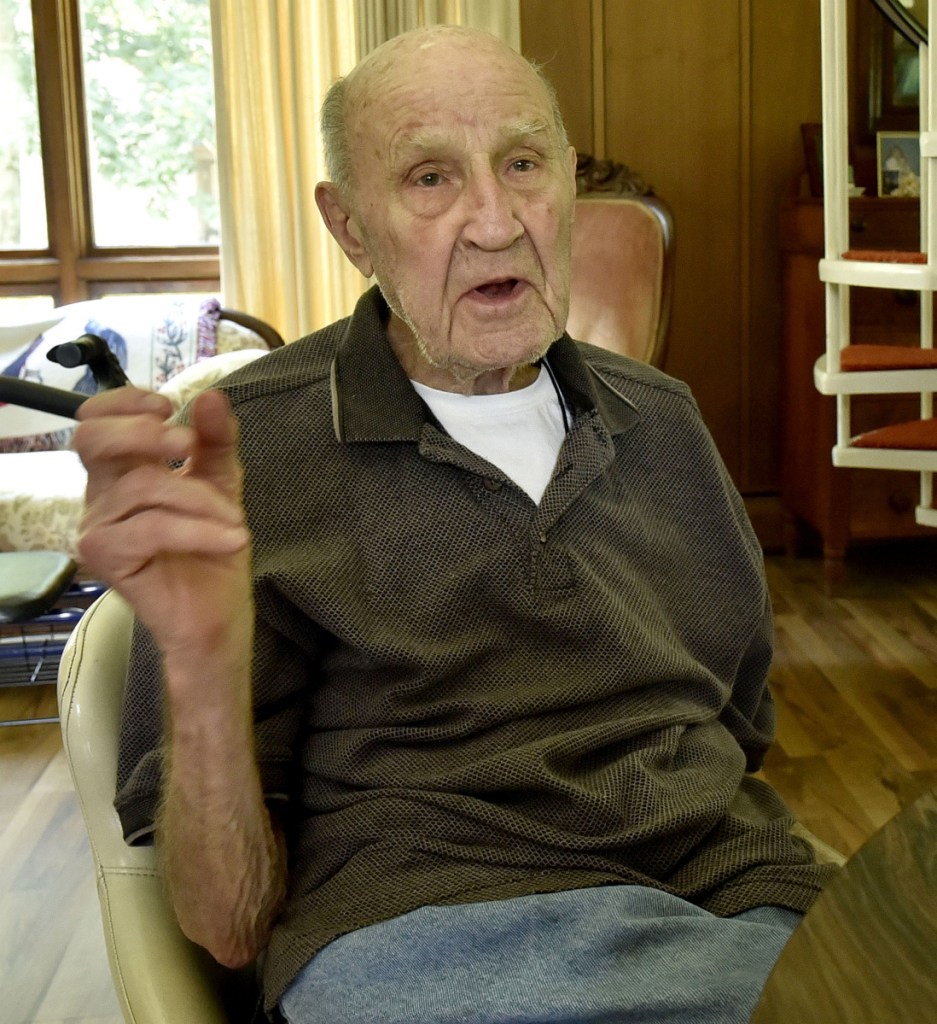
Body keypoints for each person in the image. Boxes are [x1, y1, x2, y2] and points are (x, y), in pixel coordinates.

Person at [74, 25, 836, 1024]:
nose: (494, 221)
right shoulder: (245, 452)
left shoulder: (661, 421)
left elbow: (739, 729)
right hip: (426, 941)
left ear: (567, 183)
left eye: (521, 164)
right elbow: (224, 927)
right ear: (349, 226)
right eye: (430, 178)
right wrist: (203, 662)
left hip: (728, 905)